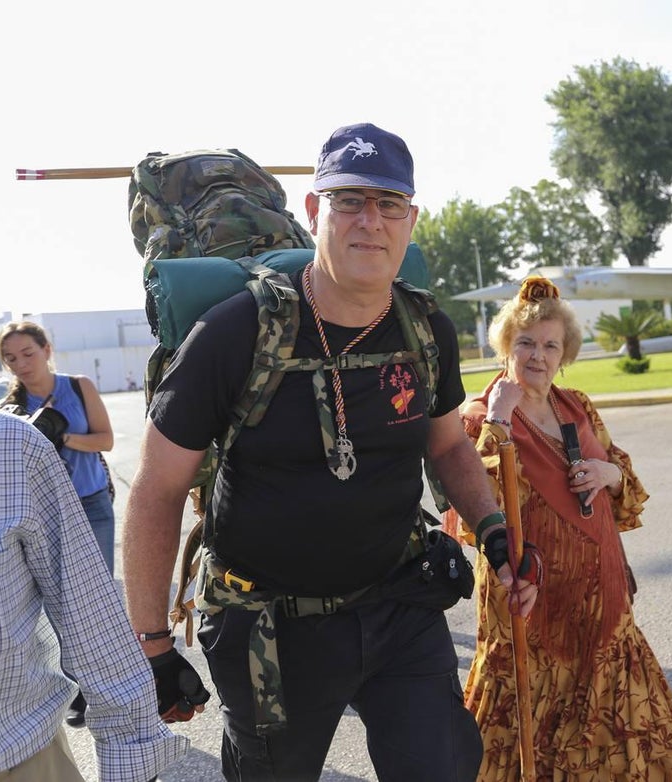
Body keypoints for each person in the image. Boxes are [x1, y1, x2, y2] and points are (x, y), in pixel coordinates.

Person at [121, 122, 537, 781]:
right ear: (314, 211)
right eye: (349, 201)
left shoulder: (424, 327)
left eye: (389, 203)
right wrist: (152, 643)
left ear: (410, 220)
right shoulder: (236, 333)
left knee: (443, 766)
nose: (370, 221)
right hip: (272, 629)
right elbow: (158, 489)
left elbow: (448, 445)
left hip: (399, 605)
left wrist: (493, 531)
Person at [448, 277, 672, 781]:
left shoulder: (577, 406)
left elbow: (626, 482)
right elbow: (475, 503)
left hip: (600, 595)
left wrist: (608, 473)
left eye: (550, 345)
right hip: (529, 597)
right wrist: (500, 418)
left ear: (565, 354)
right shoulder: (479, 414)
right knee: (528, 720)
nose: (538, 355)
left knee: (616, 726)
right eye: (526, 343)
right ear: (506, 346)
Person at [0, 405, 187, 781]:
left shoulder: (8, 444)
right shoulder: (14, 408)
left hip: (11, 756)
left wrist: (128, 752)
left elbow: (87, 614)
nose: (19, 371)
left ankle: (79, 692)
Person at [0, 320, 117, 727]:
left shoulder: (79, 386)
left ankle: (103, 684)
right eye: (11, 358)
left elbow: (105, 439)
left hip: (92, 504)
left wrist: (60, 436)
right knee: (56, 603)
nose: (21, 364)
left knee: (95, 600)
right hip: (44, 514)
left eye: (27, 353)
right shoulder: (9, 408)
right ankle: (79, 688)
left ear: (47, 349)